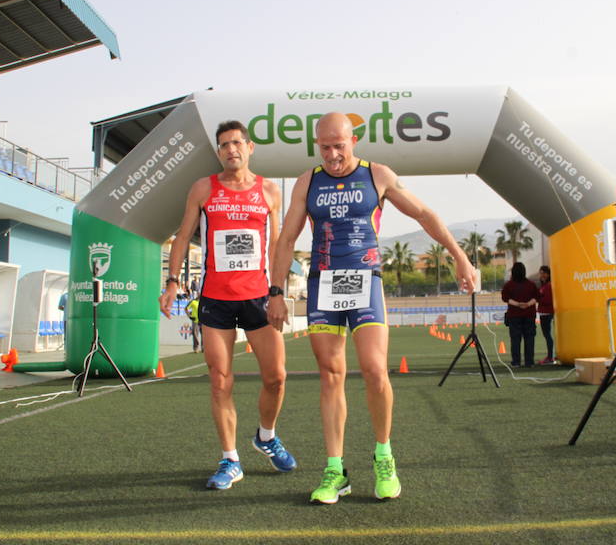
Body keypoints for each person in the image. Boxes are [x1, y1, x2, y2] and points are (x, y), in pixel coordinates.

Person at [267, 112, 476, 504]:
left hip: (365, 280)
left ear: (353, 141)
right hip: (323, 285)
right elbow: (287, 240)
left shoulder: (377, 175)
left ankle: (384, 457)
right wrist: (276, 292)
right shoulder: (307, 182)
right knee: (331, 375)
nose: (332, 155)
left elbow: (423, 214)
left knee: (376, 370)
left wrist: (460, 256)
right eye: (324, 147)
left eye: (338, 146)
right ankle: (335, 471)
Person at [159, 119, 296, 490]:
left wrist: (277, 291)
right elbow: (182, 236)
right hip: (216, 299)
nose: (231, 149)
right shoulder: (203, 188)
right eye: (224, 145)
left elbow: (276, 244)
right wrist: (172, 283)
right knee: (220, 382)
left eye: (237, 143)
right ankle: (230, 459)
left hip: (258, 297)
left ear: (249, 147)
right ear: (218, 152)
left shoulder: (269, 190)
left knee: (276, 377)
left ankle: (266, 437)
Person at [501, 262, 539, 367]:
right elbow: (537, 297)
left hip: (514, 315)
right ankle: (529, 361)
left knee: (515, 339)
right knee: (529, 338)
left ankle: (516, 361)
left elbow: (505, 298)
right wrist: (527, 304)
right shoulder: (531, 284)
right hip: (529, 314)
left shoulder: (509, 285)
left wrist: (518, 304)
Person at [536, 265, 556, 364]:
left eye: (544, 273)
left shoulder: (548, 286)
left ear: (548, 274)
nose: (542, 275)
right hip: (544, 312)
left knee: (547, 335)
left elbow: (548, 300)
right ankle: (551, 356)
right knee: (547, 335)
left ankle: (550, 357)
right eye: (541, 273)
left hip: (547, 312)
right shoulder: (544, 285)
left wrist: (537, 298)